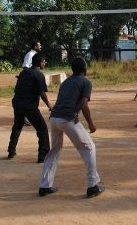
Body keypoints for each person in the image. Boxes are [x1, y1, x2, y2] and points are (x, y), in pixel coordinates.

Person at [39, 57, 105, 198]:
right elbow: (84, 105)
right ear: (85, 69)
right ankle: (92, 186)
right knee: (89, 148)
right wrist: (91, 124)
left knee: (54, 151)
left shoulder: (66, 82)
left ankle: (45, 186)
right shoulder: (86, 82)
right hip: (67, 119)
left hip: (55, 118)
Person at [7, 53, 52, 162]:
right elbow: (42, 93)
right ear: (40, 62)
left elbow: (17, 89)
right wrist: (49, 105)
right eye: (44, 61)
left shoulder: (23, 72)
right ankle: (43, 155)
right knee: (42, 128)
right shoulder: (39, 74)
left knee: (17, 125)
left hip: (17, 102)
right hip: (29, 105)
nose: (45, 63)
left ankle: (11, 150)